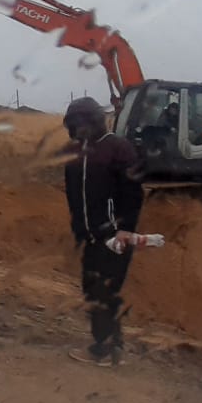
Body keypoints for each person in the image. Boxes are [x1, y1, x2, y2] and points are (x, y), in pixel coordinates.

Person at [63, 97, 144, 367]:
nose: (78, 130)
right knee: (95, 290)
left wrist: (124, 230)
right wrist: (79, 230)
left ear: (94, 122)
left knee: (103, 291)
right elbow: (76, 198)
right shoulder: (76, 153)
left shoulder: (118, 149)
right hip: (91, 237)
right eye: (74, 125)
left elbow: (133, 195)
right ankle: (112, 345)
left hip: (113, 238)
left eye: (82, 123)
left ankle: (104, 349)